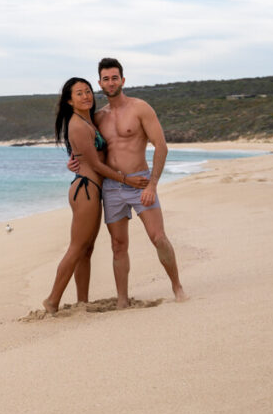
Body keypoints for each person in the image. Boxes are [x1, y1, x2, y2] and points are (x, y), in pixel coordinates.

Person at [69, 57, 187, 306]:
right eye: (105, 78)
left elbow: (161, 147)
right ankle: (122, 300)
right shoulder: (98, 117)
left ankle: (177, 287)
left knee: (158, 237)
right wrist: (74, 162)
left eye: (114, 77)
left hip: (141, 182)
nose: (110, 82)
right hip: (112, 187)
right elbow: (89, 150)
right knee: (118, 245)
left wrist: (153, 184)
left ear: (122, 80)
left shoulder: (140, 108)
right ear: (100, 83)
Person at [43, 77, 149, 314]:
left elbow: (84, 157)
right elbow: (96, 165)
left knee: (86, 249)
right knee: (77, 247)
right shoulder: (78, 124)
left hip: (89, 187)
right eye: (79, 93)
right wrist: (127, 179)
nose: (86, 96)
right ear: (70, 101)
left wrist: (75, 162)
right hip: (87, 189)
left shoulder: (87, 121)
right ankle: (52, 300)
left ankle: (82, 301)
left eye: (88, 91)